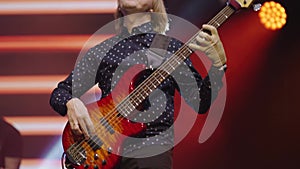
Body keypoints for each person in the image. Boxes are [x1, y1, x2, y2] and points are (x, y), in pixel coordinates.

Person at [50, 0, 227, 168]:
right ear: (119, 6)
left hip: (151, 149)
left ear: (153, 5)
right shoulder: (103, 50)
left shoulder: (170, 48)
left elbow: (200, 101)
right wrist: (71, 103)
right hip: (103, 150)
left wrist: (218, 66)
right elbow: (60, 93)